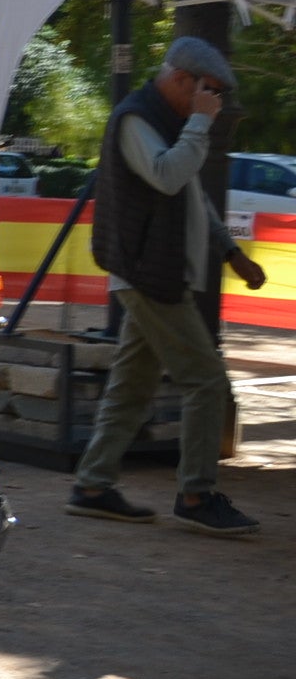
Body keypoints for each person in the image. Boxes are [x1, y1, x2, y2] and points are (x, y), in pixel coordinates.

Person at [70, 36, 268, 536]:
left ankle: (93, 485)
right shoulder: (136, 118)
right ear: (182, 78)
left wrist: (231, 252)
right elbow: (166, 176)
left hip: (154, 271)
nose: (212, 104)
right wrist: (200, 123)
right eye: (208, 92)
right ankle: (196, 494)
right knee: (205, 379)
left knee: (132, 384)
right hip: (147, 272)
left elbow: (192, 198)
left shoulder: (171, 123)